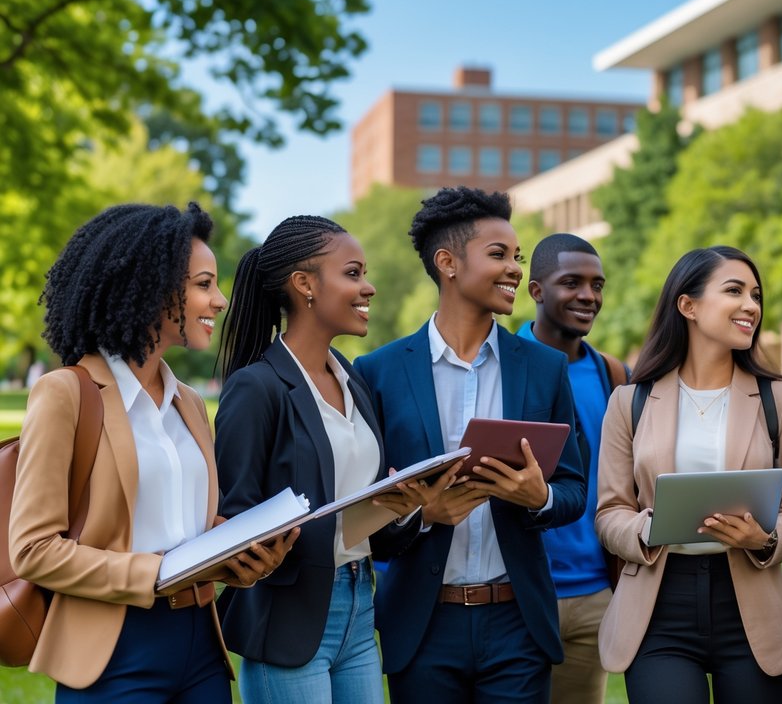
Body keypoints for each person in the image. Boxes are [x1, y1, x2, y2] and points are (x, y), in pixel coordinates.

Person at [9, 202, 291, 702]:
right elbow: (33, 551)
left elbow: (188, 529)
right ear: (151, 289)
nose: (220, 300)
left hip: (202, 647)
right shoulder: (67, 393)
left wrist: (243, 551)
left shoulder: (189, 403)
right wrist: (156, 572)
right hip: (113, 651)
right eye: (203, 284)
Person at [353, 187, 586, 704]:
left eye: (517, 258)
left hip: (517, 624)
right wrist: (422, 514)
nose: (515, 271)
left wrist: (538, 497)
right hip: (422, 624)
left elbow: (573, 489)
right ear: (448, 263)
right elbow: (363, 517)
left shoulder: (545, 369)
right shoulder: (378, 373)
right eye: (499, 255)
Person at [214, 215, 446, 704]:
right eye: (354, 273)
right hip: (288, 616)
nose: (370, 287)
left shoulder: (351, 379)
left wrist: (406, 506)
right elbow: (233, 523)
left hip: (361, 607)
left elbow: (361, 523)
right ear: (305, 285)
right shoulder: (256, 388)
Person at [596, 245, 782, 704]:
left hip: (751, 609)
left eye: (756, 295)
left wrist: (765, 539)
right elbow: (610, 512)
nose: (751, 305)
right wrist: (648, 528)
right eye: (734, 290)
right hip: (659, 608)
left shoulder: (780, 399)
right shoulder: (629, 401)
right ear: (688, 305)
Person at [516, 233, 629, 704]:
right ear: (537, 290)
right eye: (572, 283)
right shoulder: (501, 362)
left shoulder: (613, 374)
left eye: (597, 284)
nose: (588, 295)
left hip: (593, 593)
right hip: (518, 592)